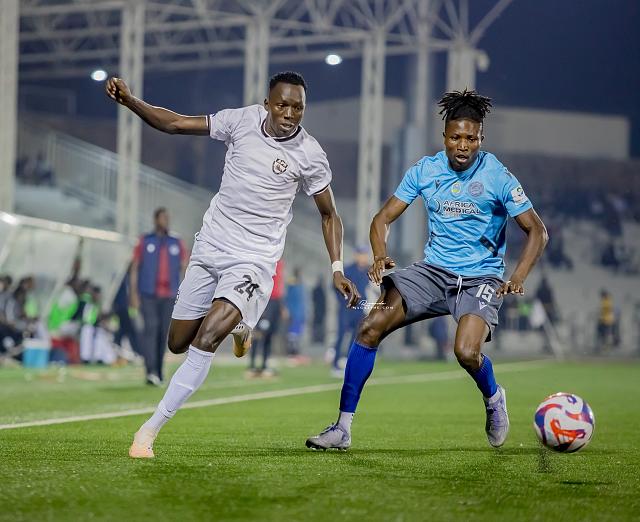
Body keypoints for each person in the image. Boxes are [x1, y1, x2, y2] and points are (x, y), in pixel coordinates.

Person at [106, 70, 359, 458]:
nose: (290, 113)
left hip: (254, 260)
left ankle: (148, 431)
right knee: (177, 343)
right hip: (210, 247)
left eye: (298, 107)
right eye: (282, 105)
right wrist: (131, 101)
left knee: (206, 339)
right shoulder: (240, 121)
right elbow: (175, 124)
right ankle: (242, 325)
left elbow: (329, 214)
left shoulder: (310, 154)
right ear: (267, 104)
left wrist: (337, 267)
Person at [306, 89, 548, 451]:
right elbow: (382, 219)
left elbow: (537, 231)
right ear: (444, 136)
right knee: (370, 326)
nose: (463, 146)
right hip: (432, 273)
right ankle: (342, 428)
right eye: (456, 137)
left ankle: (494, 397)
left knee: (466, 352)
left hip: (480, 278)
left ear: (481, 138)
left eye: (471, 138)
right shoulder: (425, 170)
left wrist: (517, 277)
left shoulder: (497, 175)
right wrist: (380, 255)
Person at [130, 207, 188, 385]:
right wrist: (133, 293)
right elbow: (134, 268)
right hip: (148, 294)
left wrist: (185, 292)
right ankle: (150, 371)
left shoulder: (176, 242)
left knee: (163, 333)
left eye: (167, 218)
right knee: (151, 329)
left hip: (169, 295)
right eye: (163, 218)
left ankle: (159, 370)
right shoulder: (145, 240)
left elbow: (185, 267)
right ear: (155, 220)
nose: (166, 221)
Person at [330, 246, 370, 377]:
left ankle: (349, 364)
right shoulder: (347, 270)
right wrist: (343, 302)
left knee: (355, 338)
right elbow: (335, 286)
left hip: (359, 310)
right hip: (346, 309)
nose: (363, 257)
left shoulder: (368, 271)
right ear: (356, 255)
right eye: (361, 254)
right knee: (341, 335)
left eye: (364, 254)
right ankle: (335, 364)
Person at [248, 259, 285, 377]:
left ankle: (264, 365)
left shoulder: (280, 262)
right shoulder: (267, 259)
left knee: (269, 334)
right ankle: (252, 365)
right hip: (266, 300)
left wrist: (281, 306)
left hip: (276, 302)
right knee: (259, 333)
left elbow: (279, 286)